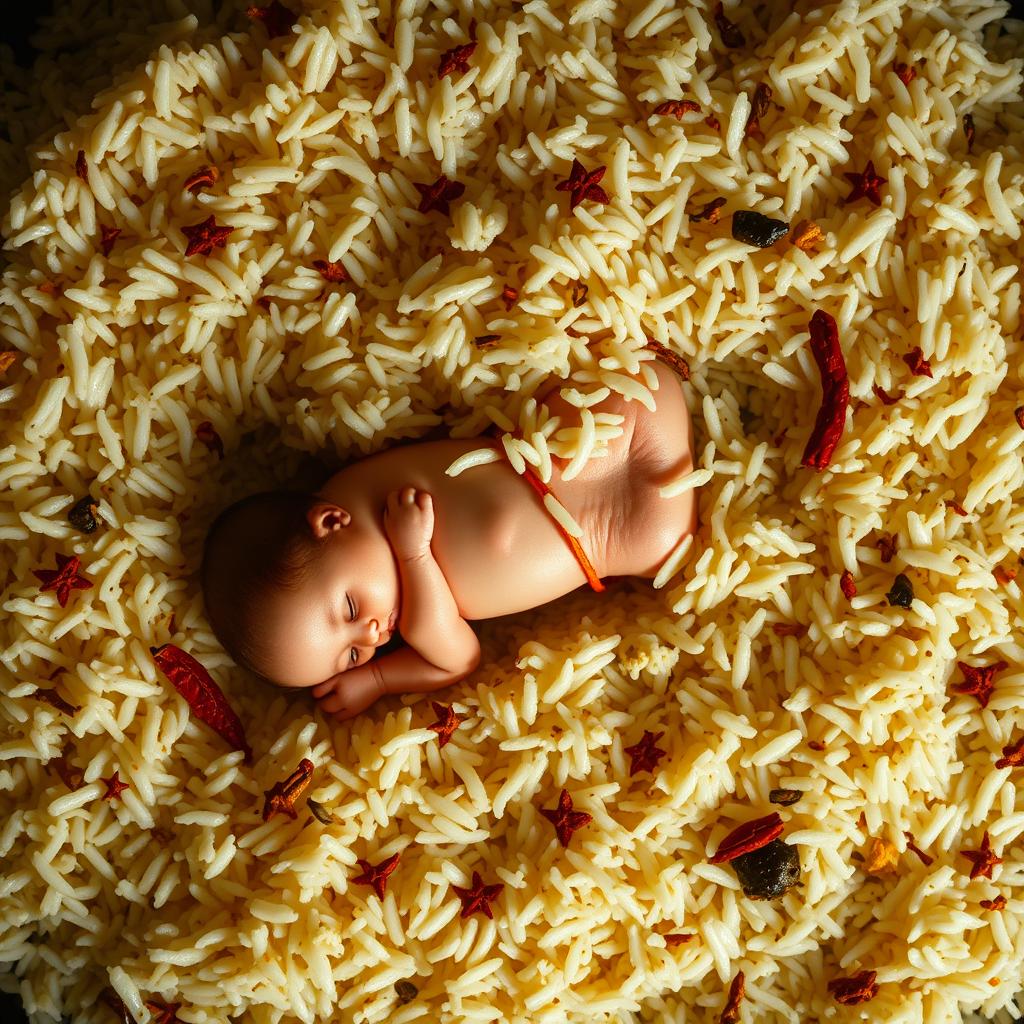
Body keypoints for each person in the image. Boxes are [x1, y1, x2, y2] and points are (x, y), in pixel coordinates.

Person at [200, 359, 697, 719]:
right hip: (610, 542)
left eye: (350, 610)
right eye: (352, 653)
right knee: (672, 549)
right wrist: (378, 677)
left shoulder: (364, 495)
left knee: (636, 386)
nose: (373, 634)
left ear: (330, 522)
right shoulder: (416, 598)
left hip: (582, 448)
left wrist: (414, 550)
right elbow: (458, 658)